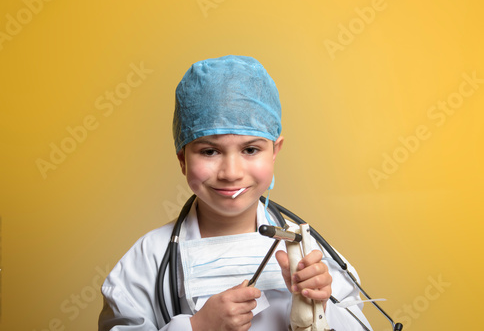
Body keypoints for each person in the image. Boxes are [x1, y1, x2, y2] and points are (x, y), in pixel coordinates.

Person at [98, 55, 372, 330]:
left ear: (275, 152)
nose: (230, 172)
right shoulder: (146, 262)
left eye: (250, 150)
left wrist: (319, 310)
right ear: (182, 159)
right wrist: (196, 327)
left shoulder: (312, 255)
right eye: (209, 151)